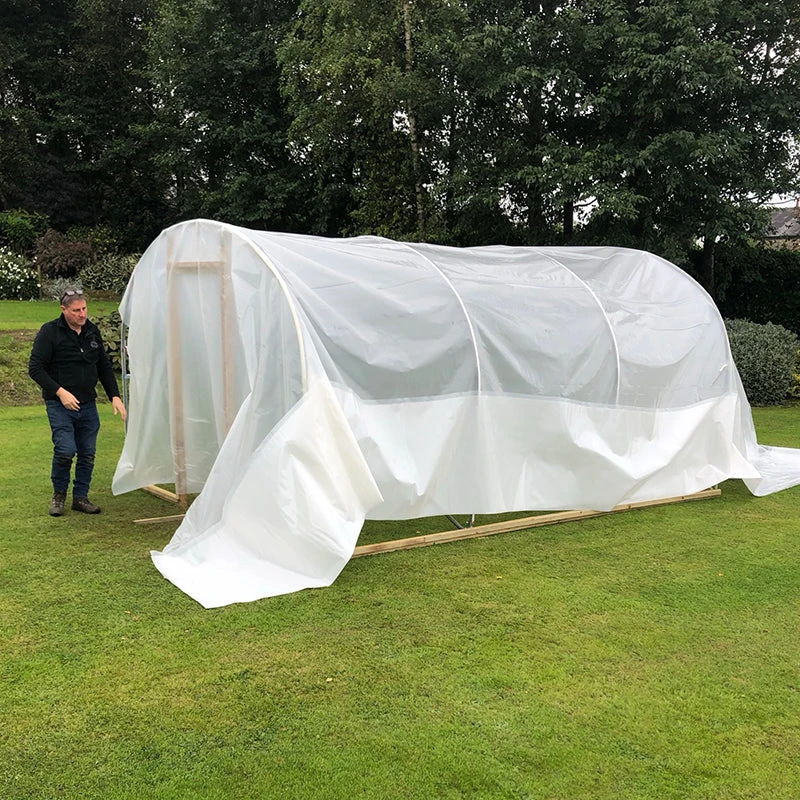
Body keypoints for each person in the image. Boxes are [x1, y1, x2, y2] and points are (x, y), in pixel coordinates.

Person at [28, 288, 127, 516]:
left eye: (84, 308)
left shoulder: (91, 331)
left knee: (88, 452)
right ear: (64, 310)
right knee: (65, 450)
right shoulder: (49, 332)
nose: (82, 314)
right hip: (59, 404)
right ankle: (59, 495)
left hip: (87, 403)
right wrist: (60, 392)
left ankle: (80, 497)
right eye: (76, 310)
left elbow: (102, 365)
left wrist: (115, 396)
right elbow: (35, 369)